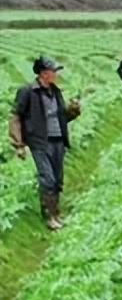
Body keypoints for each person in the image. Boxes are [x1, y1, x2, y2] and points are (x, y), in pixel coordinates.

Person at [9, 56, 81, 231]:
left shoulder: (55, 91)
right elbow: (15, 117)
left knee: (57, 179)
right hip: (39, 142)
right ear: (43, 73)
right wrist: (18, 144)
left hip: (58, 140)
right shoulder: (27, 91)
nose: (56, 74)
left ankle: (56, 213)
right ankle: (48, 217)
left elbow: (61, 118)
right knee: (47, 178)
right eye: (53, 71)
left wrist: (73, 111)